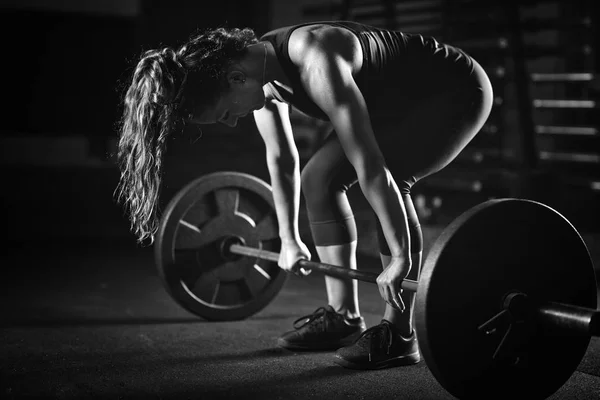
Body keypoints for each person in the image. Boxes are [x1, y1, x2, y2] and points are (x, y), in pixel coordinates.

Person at [115, 21, 493, 370]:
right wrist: (288, 238)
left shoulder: (315, 58)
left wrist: (399, 259)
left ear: (234, 78)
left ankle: (400, 333)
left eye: (226, 113)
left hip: (452, 90)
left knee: (391, 175)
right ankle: (343, 316)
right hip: (393, 104)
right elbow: (281, 158)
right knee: (319, 179)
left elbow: (371, 168)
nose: (233, 121)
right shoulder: (256, 73)